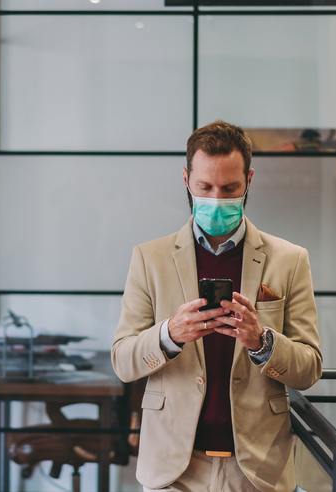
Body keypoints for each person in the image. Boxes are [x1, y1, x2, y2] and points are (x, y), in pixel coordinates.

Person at [111, 121, 322, 492]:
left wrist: (261, 341)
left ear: (249, 180)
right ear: (186, 179)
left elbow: (309, 369)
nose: (216, 198)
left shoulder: (290, 260)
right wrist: (168, 336)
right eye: (205, 187)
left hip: (258, 470)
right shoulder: (149, 258)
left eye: (230, 188)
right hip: (173, 469)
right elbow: (122, 362)